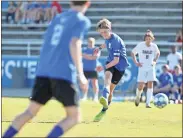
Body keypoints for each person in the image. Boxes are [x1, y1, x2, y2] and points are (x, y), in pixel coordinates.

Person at [3, 1, 91, 138]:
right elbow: (74, 43)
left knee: (29, 112)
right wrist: (81, 74)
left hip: (43, 72)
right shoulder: (81, 20)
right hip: (62, 74)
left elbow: (48, 43)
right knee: (74, 117)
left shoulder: (58, 18)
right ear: (88, 3)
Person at [93, 18, 129, 121]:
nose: (103, 34)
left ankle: (104, 109)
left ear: (110, 29)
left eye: (105, 32)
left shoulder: (116, 41)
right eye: (101, 33)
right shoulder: (107, 37)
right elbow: (106, 43)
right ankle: (104, 97)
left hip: (119, 66)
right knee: (107, 79)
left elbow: (116, 61)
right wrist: (99, 48)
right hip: (110, 62)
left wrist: (103, 67)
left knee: (111, 89)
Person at [131, 30, 160, 108]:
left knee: (150, 84)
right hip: (142, 68)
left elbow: (158, 53)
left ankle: (148, 103)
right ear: (145, 39)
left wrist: (154, 61)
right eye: (147, 38)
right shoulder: (140, 45)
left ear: (152, 39)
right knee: (141, 85)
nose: (148, 40)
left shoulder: (154, 46)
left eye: (150, 38)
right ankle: (138, 97)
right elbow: (133, 53)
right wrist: (136, 62)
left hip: (151, 67)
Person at [82, 37, 100, 102]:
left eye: (92, 42)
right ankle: (84, 96)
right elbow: (81, 55)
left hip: (93, 69)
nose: (90, 43)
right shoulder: (84, 49)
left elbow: (95, 57)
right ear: (87, 42)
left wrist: (87, 56)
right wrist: (91, 56)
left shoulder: (96, 49)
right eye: (89, 42)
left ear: (94, 42)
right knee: (85, 83)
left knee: (94, 83)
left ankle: (95, 97)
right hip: (85, 68)